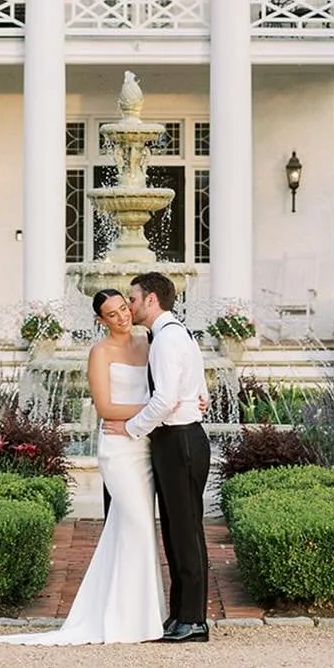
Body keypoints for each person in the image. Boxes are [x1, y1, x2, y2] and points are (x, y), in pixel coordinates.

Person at [0, 288, 165, 646]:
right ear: (101, 321)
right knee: (135, 522)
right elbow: (106, 409)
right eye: (111, 314)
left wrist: (172, 404)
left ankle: (142, 616)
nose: (121, 317)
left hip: (145, 443)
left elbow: (168, 382)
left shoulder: (148, 341)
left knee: (137, 527)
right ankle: (125, 620)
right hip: (118, 448)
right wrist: (158, 409)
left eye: (123, 309)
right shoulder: (100, 352)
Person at [111, 270, 212, 643]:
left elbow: (165, 399)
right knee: (175, 529)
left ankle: (194, 620)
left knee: (186, 532)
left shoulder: (168, 340)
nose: (130, 305)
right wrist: (199, 397)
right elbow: (199, 385)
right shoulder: (175, 334)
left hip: (179, 440)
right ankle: (180, 614)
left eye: (133, 299)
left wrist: (130, 427)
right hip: (178, 438)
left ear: (151, 299)